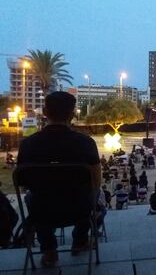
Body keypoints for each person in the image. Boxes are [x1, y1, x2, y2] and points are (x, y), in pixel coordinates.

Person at [17, 92, 101, 267]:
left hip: (43, 210)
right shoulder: (86, 143)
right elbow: (96, 181)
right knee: (92, 194)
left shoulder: (28, 144)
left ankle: (49, 251)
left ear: (45, 112)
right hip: (79, 209)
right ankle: (80, 241)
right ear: (72, 114)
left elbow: (22, 182)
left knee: (33, 198)